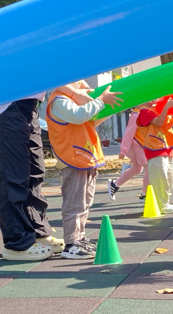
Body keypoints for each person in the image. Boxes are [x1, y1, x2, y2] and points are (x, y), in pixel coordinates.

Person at [0, 0, 71, 261]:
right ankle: (17, 243)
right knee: (14, 174)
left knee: (34, 171)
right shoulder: (19, 17)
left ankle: (37, 231)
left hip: (28, 104)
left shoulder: (47, 18)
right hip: (5, 106)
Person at [46, 81, 122, 258]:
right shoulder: (59, 100)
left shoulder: (71, 100)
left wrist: (109, 107)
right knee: (75, 202)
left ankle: (79, 238)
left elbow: (90, 121)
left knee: (85, 202)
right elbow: (79, 116)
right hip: (73, 158)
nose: (85, 87)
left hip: (84, 157)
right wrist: (100, 100)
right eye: (79, 82)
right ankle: (71, 243)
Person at [135, 97, 173, 212]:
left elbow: (168, 124)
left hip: (166, 148)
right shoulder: (144, 111)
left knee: (169, 178)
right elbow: (159, 122)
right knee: (160, 177)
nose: (154, 100)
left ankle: (164, 202)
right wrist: (166, 108)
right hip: (155, 149)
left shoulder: (158, 109)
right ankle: (161, 204)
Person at [107, 109, 148, 201]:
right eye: (150, 101)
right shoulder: (136, 115)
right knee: (149, 168)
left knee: (137, 169)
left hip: (141, 145)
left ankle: (115, 184)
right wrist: (123, 150)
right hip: (137, 145)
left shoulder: (145, 113)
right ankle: (144, 195)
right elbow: (128, 134)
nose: (152, 102)